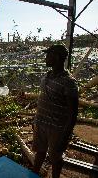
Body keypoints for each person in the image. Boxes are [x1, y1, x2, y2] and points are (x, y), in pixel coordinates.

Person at [32, 44, 78, 178]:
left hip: (57, 128)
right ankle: (33, 174)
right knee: (39, 152)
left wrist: (66, 135)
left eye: (48, 55)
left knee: (55, 157)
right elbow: (45, 98)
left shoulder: (69, 82)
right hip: (41, 123)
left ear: (57, 58)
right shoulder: (47, 76)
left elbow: (73, 113)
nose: (46, 58)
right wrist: (37, 119)